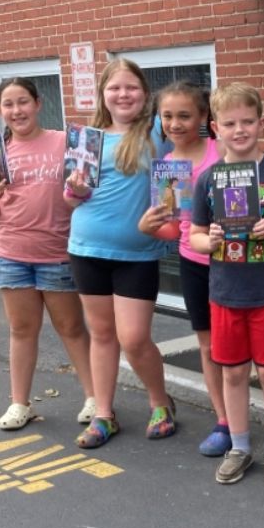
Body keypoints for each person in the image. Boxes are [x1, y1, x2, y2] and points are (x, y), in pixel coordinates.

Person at [189, 82, 264, 486]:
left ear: (262, 122)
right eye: (229, 123)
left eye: (247, 121)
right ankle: (240, 445)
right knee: (233, 374)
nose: (239, 130)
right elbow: (194, 236)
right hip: (224, 294)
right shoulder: (207, 179)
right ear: (215, 128)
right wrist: (212, 242)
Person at [66, 58, 177, 448]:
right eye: (114, 88)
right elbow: (71, 198)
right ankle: (103, 414)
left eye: (131, 87)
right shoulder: (88, 138)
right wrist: (75, 190)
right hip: (86, 247)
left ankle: (160, 403)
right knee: (101, 334)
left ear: (145, 93)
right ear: (103, 94)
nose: (123, 94)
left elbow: (188, 113)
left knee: (133, 339)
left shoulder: (157, 131)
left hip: (138, 253)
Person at [0, 77, 94, 431]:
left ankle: (95, 399)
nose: (17, 111)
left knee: (71, 327)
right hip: (12, 253)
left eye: (23, 102)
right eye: (8, 104)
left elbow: (86, 192)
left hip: (57, 251)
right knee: (22, 330)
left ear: (38, 104)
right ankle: (19, 403)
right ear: (0, 110)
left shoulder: (64, 143)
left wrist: (80, 188)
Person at [138, 81, 230, 456]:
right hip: (195, 265)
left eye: (184, 115)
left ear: (205, 116)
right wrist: (148, 227)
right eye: (168, 116)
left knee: (243, 347)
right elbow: (173, 227)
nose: (175, 123)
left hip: (235, 263)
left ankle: (260, 422)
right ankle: (223, 421)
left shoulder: (222, 150)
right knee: (208, 347)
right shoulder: (168, 167)